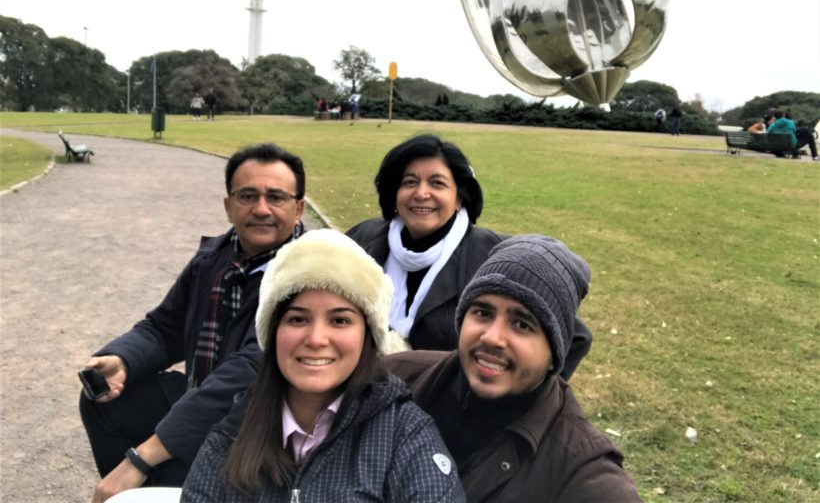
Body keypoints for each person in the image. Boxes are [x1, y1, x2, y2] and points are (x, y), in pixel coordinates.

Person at [79, 143, 307, 502]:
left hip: (265, 424)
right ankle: (138, 493)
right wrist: (122, 359)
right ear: (228, 206)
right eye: (247, 195)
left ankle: (158, 485)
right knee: (104, 398)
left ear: (298, 210)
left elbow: (248, 372)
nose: (261, 209)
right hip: (203, 391)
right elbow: (165, 326)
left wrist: (142, 457)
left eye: (275, 197)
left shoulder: (307, 275)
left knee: (169, 462)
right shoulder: (213, 259)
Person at [181, 229, 465, 502]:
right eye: (297, 319)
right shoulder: (233, 431)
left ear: (368, 335)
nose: (316, 339)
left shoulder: (405, 436)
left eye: (340, 320)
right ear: (273, 331)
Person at [386, 235, 643, 502]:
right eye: (483, 313)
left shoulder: (577, 468)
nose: (492, 338)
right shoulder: (394, 378)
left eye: (522, 324)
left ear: (554, 355)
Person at [347, 134, 592, 379]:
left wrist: (524, 398)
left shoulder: (497, 256)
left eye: (437, 183)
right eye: (410, 182)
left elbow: (575, 337)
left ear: (459, 198)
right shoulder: (363, 238)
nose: (421, 193)